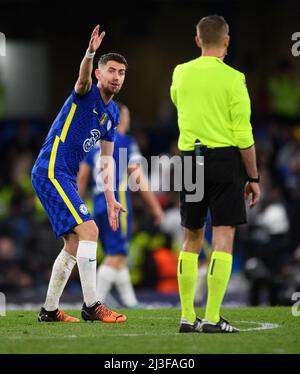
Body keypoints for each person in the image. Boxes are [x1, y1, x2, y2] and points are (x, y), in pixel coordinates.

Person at [170, 15, 261, 333]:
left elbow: (177, 100)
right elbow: (243, 133)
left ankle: (185, 316)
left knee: (190, 237)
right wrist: (254, 177)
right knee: (223, 236)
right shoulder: (234, 78)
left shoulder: (180, 72)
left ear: (197, 40)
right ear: (226, 41)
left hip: (188, 160)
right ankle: (211, 318)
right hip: (224, 162)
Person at [31, 25, 128, 323]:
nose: (116, 76)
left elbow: (107, 160)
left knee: (74, 244)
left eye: (121, 72)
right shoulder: (85, 93)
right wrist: (90, 53)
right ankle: (92, 305)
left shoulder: (113, 115)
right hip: (52, 169)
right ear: (99, 74)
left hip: (66, 176)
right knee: (91, 231)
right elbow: (82, 76)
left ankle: (49, 310)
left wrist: (111, 199)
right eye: (110, 70)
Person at [78, 103, 163, 307]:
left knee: (116, 254)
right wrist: (154, 207)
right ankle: (93, 304)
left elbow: (81, 178)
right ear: (122, 119)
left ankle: (130, 302)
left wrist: (77, 206)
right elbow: (138, 175)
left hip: (97, 204)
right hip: (116, 203)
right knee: (116, 255)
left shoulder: (95, 143)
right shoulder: (126, 142)